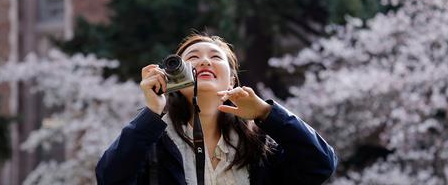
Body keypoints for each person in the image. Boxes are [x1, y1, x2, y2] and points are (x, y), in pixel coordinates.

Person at [96, 33, 337, 184]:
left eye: (216, 57)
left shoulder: (259, 146)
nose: (204, 61)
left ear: (232, 79)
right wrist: (151, 113)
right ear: (172, 79)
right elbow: (110, 178)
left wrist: (267, 113)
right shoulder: (154, 142)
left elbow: (321, 165)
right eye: (191, 58)